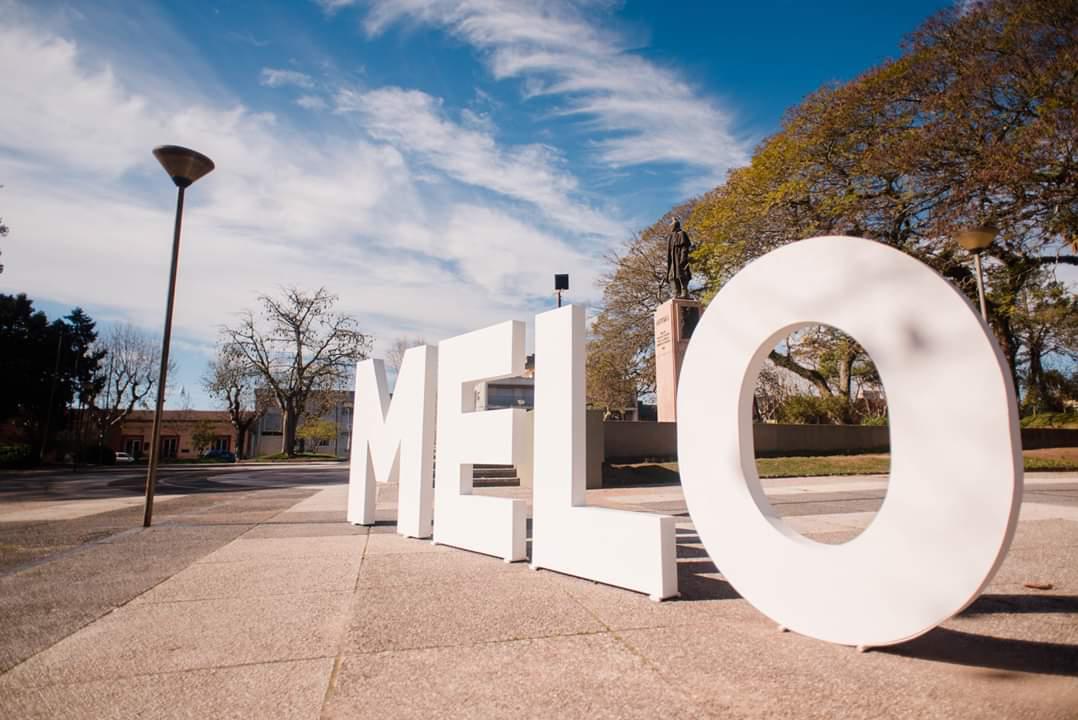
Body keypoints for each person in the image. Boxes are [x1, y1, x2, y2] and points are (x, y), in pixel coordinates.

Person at [665, 217, 692, 298]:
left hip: (679, 258)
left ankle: (685, 292)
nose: (671, 227)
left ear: (675, 225)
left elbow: (685, 247)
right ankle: (676, 292)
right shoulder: (670, 236)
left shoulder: (682, 233)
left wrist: (683, 258)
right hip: (672, 260)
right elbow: (669, 251)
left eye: (672, 226)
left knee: (681, 275)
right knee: (671, 276)